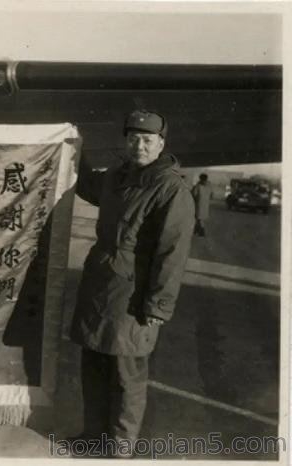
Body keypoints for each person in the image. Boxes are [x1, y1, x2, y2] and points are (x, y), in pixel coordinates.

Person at [70, 110, 195, 457]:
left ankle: (120, 448)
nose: (139, 145)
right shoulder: (117, 175)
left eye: (147, 140)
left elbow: (172, 254)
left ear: (161, 144)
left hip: (132, 293)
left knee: (127, 372)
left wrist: (158, 305)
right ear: (126, 141)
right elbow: (89, 186)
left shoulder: (171, 188)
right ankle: (93, 435)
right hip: (99, 286)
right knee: (93, 362)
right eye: (133, 138)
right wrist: (73, 150)